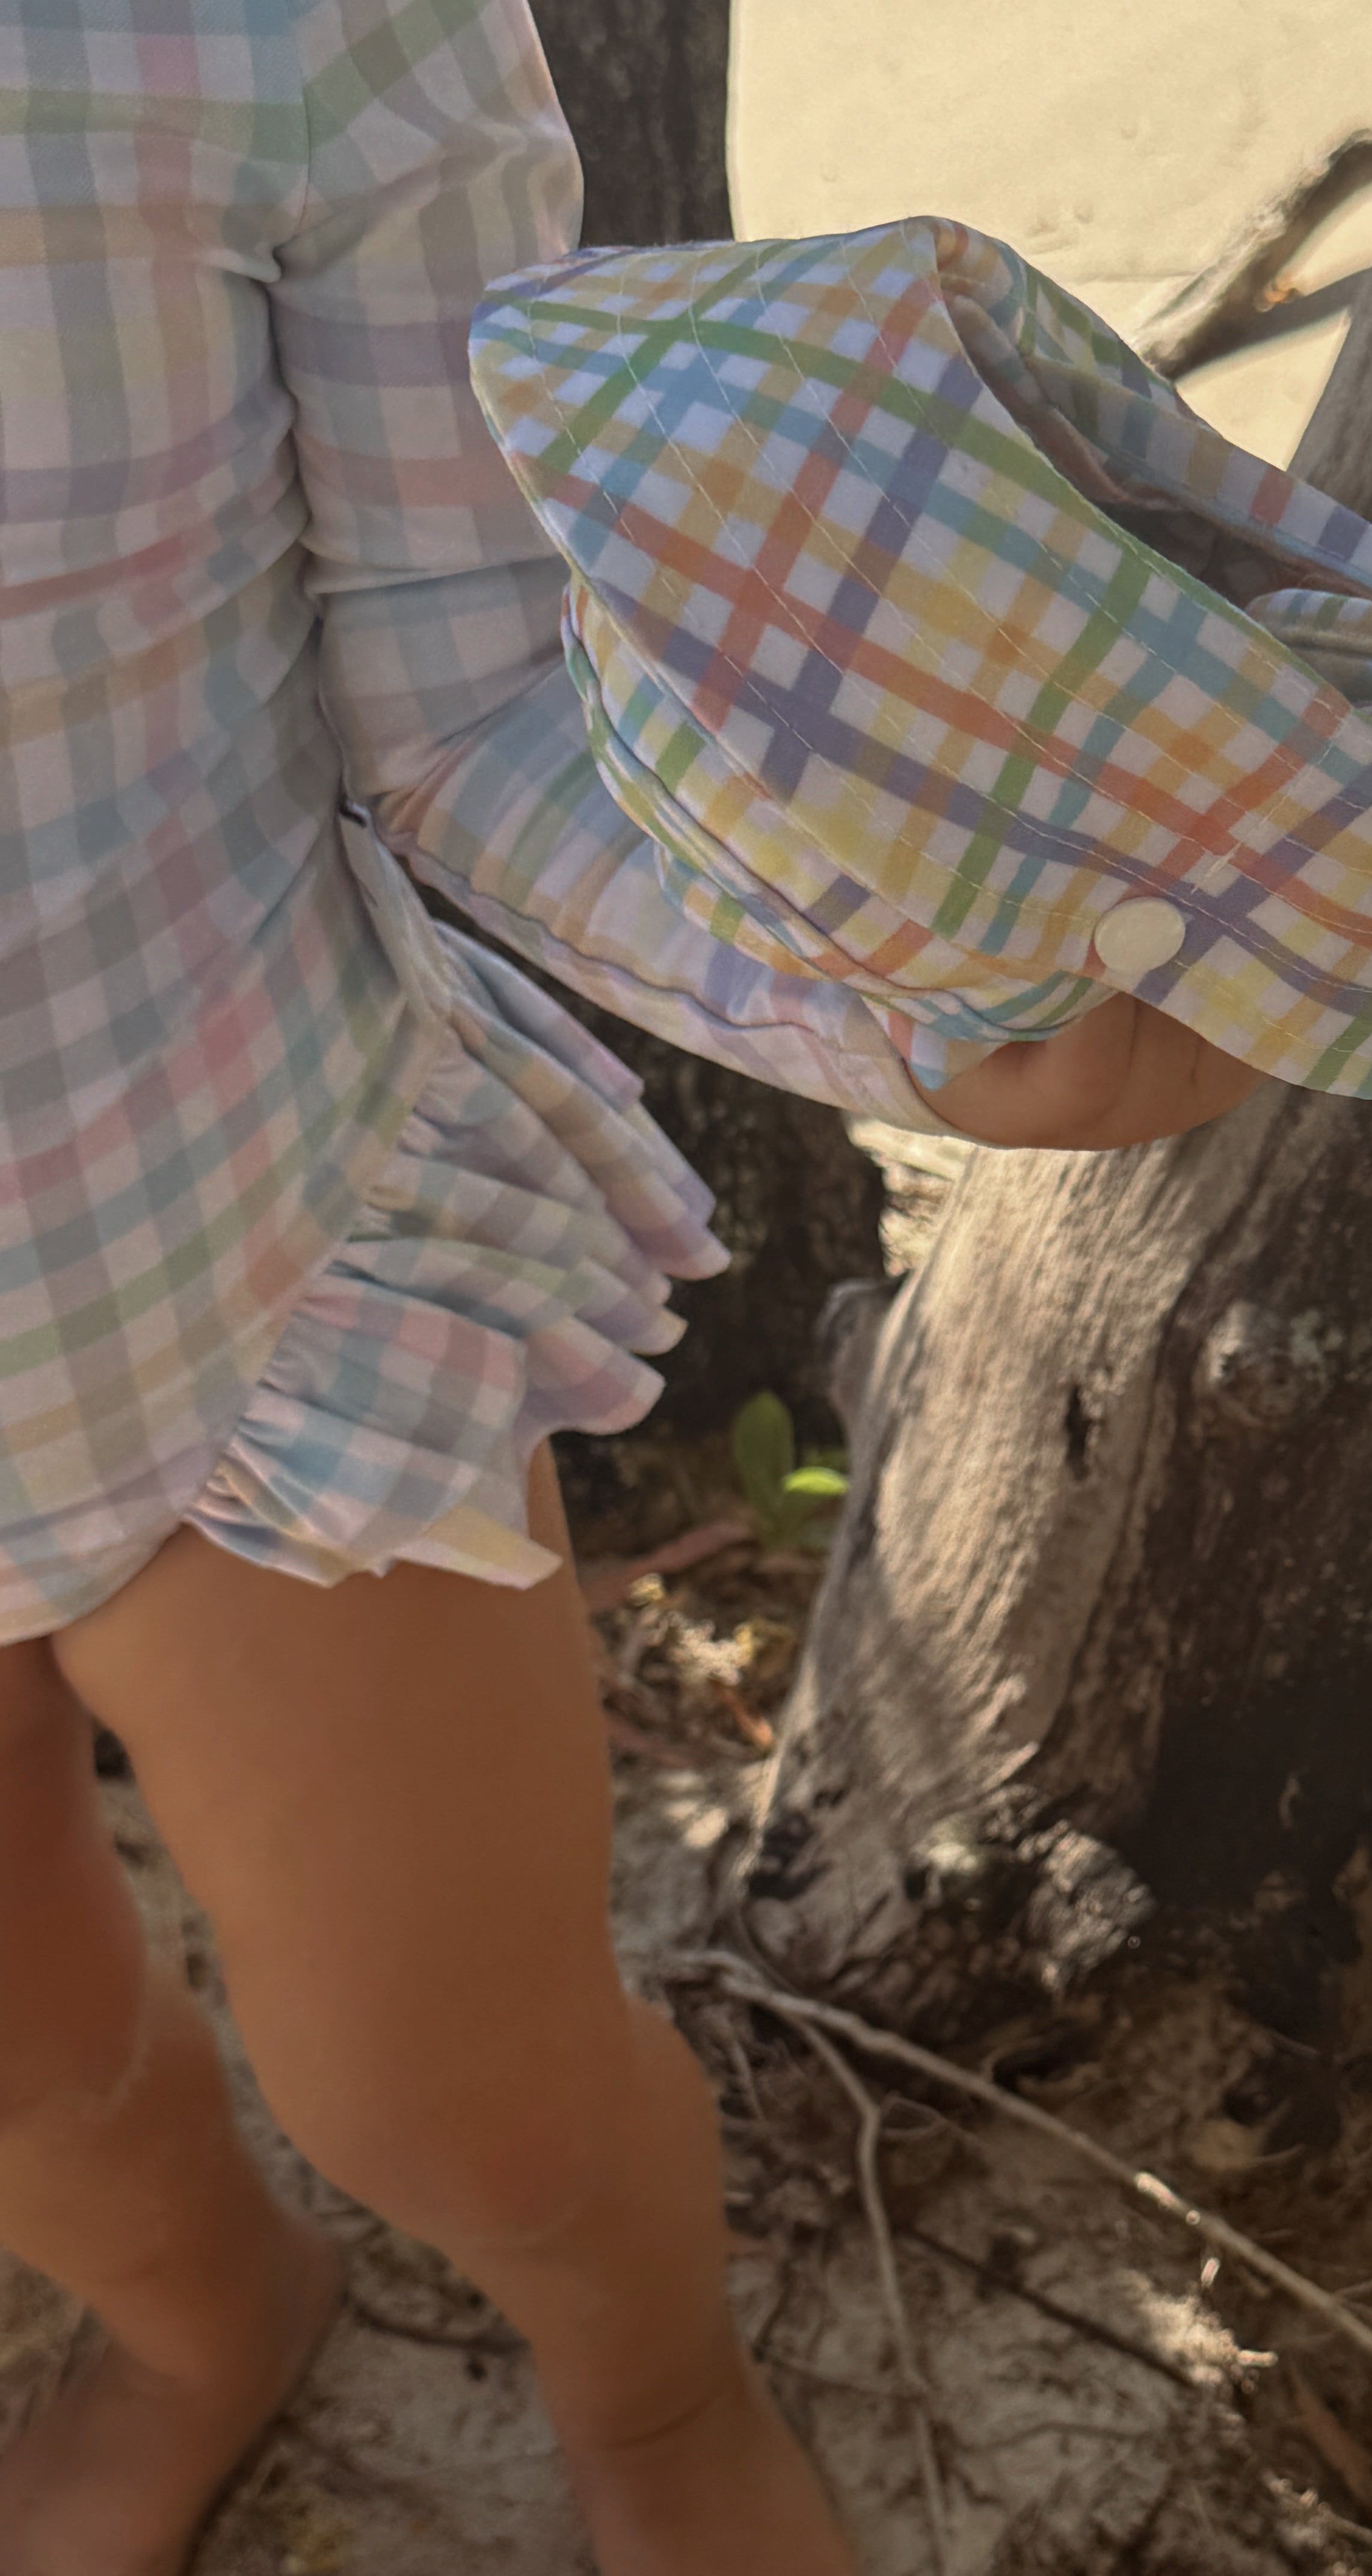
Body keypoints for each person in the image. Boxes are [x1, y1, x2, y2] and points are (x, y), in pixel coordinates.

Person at [0, 2, 1260, 2569]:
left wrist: (910, 1014)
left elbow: (485, 690)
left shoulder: (252, 39)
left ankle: (656, 2396)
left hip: (226, 1314)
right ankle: (198, 2317)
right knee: (17, 2068)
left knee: (456, 2087)